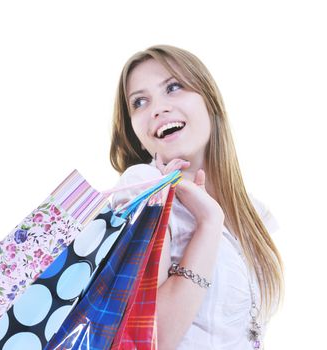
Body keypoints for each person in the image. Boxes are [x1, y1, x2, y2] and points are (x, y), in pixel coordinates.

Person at [109, 44, 283, 350]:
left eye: (173, 87)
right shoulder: (145, 188)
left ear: (210, 100)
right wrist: (208, 222)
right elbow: (153, 338)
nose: (158, 108)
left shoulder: (254, 212)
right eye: (139, 102)